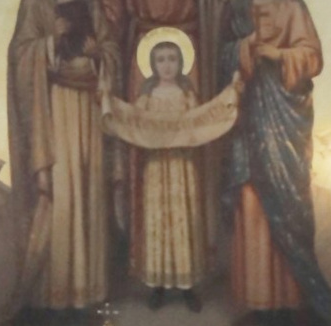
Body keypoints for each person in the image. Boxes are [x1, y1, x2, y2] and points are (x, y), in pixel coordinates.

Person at [99, 0, 233, 293]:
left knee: (195, 152)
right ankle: (149, 265)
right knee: (143, 158)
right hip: (143, 52)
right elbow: (112, 1)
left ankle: (192, 266)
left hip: (194, 47)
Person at [217, 0, 331, 326]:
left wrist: (278, 54)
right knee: (251, 199)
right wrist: (244, 49)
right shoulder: (238, 13)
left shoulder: (292, 6)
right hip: (248, 114)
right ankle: (259, 301)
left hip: (285, 113)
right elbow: (223, 58)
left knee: (287, 203)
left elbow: (312, 56)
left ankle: (287, 305)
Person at [2, 0, 113, 325]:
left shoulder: (90, 0)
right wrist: (50, 45)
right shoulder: (37, 0)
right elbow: (20, 53)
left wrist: (96, 54)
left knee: (87, 189)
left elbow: (109, 45)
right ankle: (53, 298)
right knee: (62, 193)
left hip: (86, 107)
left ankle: (85, 297)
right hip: (52, 110)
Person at [101, 35, 238, 303]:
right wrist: (107, 98)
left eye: (172, 59)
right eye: (161, 59)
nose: (167, 65)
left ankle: (187, 286)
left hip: (183, 168)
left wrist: (230, 93)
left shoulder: (188, 97)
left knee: (183, 216)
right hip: (155, 169)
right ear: (152, 64)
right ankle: (159, 284)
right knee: (158, 218)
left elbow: (204, 120)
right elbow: (132, 120)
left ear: (181, 63)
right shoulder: (146, 97)